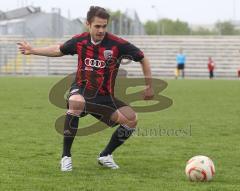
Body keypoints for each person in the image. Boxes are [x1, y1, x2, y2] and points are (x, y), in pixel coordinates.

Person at [17, 6, 154, 171]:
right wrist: (33, 50)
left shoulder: (117, 44)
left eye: (104, 26)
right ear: (88, 24)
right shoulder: (80, 41)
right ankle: (66, 157)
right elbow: (58, 50)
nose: (101, 30)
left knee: (131, 120)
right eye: (97, 26)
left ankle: (106, 155)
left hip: (104, 96)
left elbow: (142, 58)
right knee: (75, 102)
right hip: (81, 90)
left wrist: (149, 86)